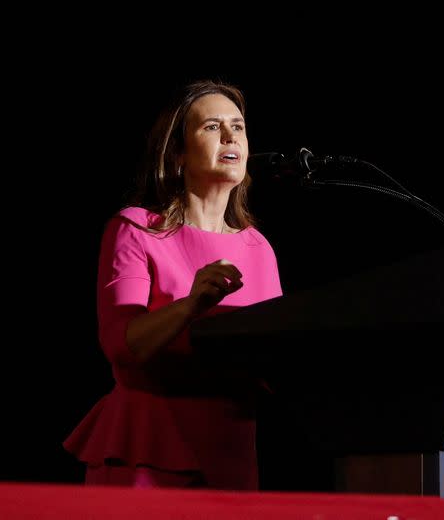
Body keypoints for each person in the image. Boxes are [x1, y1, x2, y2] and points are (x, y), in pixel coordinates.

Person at [63, 80, 283, 490]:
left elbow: (275, 363)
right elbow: (121, 346)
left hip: (231, 454)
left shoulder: (259, 248)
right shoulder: (136, 229)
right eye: (213, 127)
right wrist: (189, 306)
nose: (232, 135)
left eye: (238, 126)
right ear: (178, 154)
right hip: (148, 452)